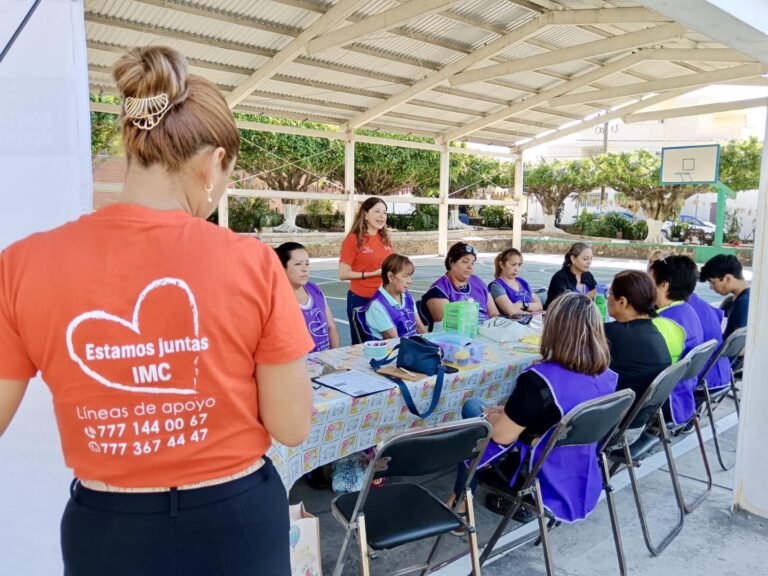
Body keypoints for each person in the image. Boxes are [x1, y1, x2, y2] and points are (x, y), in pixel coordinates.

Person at [0, 46, 314, 576]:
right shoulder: (253, 262)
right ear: (213, 163)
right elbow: (290, 425)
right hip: (235, 518)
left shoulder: (22, 264)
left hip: (107, 529)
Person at [448, 293, 617, 523]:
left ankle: (459, 503)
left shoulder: (539, 381)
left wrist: (489, 415)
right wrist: (507, 412)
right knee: (488, 411)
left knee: (473, 415)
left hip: (535, 473)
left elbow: (501, 436)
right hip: (579, 465)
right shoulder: (606, 375)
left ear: (553, 331)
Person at [648, 255, 705, 425]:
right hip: (684, 394)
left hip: (665, 401)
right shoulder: (687, 310)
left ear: (664, 285)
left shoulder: (662, 324)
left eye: (649, 280)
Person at [604, 271, 672, 402]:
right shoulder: (654, 332)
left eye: (610, 294)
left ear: (622, 302)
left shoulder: (611, 333)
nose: (608, 299)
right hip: (641, 414)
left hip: (616, 416)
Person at [338, 197, 393, 344]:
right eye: (377, 211)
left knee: (385, 343)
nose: (382, 216)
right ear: (365, 214)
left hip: (383, 299)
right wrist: (372, 274)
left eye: (385, 212)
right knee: (362, 345)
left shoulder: (385, 238)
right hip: (361, 299)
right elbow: (343, 274)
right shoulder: (354, 239)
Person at [275, 242, 339, 352]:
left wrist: (334, 356)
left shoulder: (315, 290)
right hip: (298, 366)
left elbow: (331, 327)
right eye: (298, 264)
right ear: (282, 268)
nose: (305, 269)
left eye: (307, 263)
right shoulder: (277, 301)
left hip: (326, 363)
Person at [423, 242, 499, 327]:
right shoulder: (439, 291)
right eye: (465, 262)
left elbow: (494, 314)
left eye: (472, 263)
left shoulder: (478, 282)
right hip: (462, 337)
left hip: (488, 333)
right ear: (451, 262)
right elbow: (447, 327)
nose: (470, 267)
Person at [359, 254, 427, 340]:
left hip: (413, 347)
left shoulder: (406, 295)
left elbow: (419, 326)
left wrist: (432, 344)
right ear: (390, 276)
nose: (410, 281)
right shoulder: (377, 307)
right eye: (405, 276)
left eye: (410, 276)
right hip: (397, 351)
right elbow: (396, 342)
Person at [699, 254, 750, 339]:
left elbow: (739, 347)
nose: (711, 287)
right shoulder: (731, 301)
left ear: (728, 278)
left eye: (712, 282)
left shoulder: (744, 302)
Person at [489, 248, 543, 316]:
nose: (516, 269)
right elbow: (511, 311)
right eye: (513, 264)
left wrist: (522, 305)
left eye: (519, 265)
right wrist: (531, 313)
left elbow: (539, 306)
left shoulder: (523, 282)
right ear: (502, 264)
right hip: (513, 324)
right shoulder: (497, 286)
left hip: (531, 321)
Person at [545, 242, 597, 309]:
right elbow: (564, 305)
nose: (589, 262)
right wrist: (592, 294)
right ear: (573, 259)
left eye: (591, 259)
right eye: (585, 259)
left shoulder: (588, 276)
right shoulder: (560, 278)